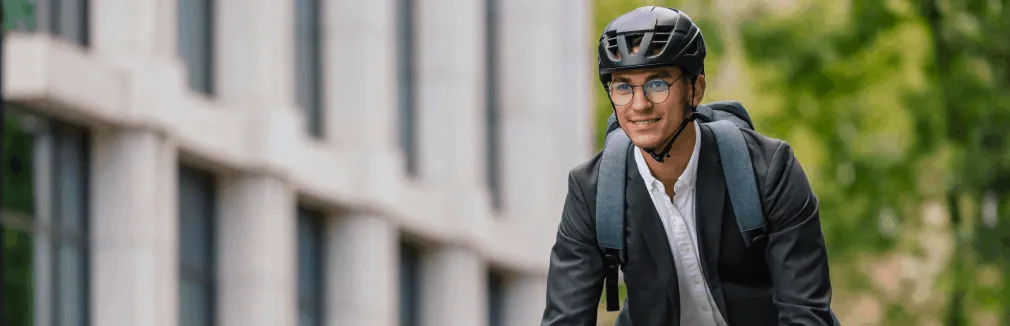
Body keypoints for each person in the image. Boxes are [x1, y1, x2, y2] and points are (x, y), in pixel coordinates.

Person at [540, 6, 840, 326]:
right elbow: (565, 319)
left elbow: (806, 316)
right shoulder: (592, 190)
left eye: (657, 84)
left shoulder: (769, 171)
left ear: (694, 90)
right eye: (623, 87)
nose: (639, 105)